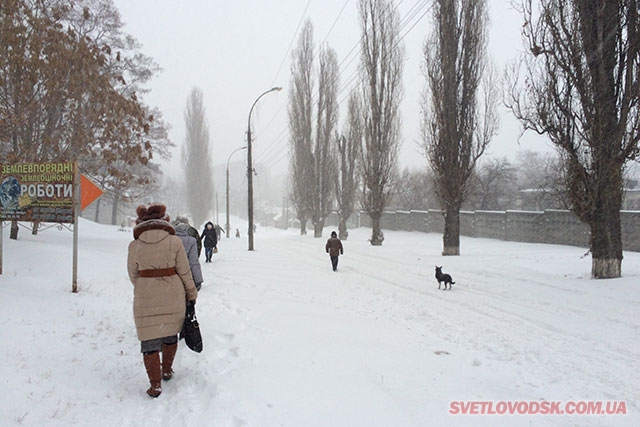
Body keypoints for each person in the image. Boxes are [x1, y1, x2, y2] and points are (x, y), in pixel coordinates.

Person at [127, 203, 198, 398]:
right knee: (169, 333)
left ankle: (155, 384)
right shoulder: (174, 242)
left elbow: (132, 274)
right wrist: (191, 293)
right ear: (164, 221)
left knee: (149, 339)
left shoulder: (134, 245)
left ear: (141, 223)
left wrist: (144, 285)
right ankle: (166, 370)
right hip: (172, 292)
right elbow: (184, 271)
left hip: (145, 295)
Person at [173, 217, 204, 291]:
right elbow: (194, 262)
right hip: (187, 267)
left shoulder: (170, 239)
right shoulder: (191, 238)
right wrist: (198, 280)